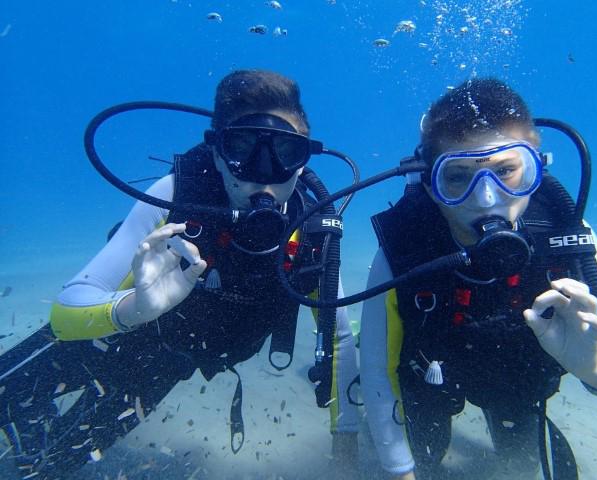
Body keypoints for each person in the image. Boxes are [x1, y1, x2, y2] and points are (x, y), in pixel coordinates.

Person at [0, 69, 359, 479]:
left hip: (164, 367)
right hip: (100, 335)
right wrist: (132, 310)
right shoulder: (177, 194)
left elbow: (338, 337)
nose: (263, 173)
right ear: (218, 153)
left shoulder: (313, 231)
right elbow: (68, 309)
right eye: (242, 148)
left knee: (49, 469)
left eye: (286, 152)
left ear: (304, 158)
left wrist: (346, 447)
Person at [360, 78, 597, 479]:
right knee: (421, 457)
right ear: (431, 185)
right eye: (458, 177)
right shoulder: (402, 249)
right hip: (428, 384)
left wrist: (596, 368)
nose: (486, 198)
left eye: (506, 170)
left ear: (536, 168)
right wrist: (400, 470)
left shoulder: (567, 239)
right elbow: (377, 369)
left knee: (520, 464)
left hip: (514, 384)